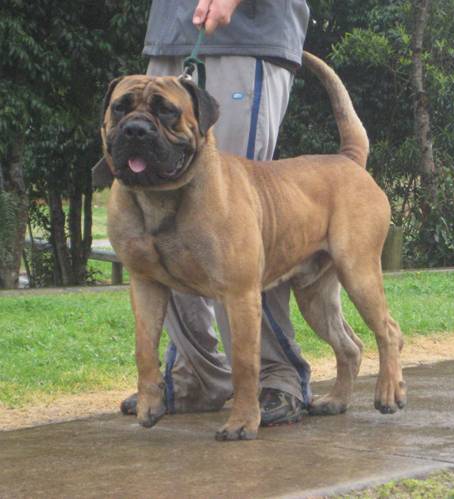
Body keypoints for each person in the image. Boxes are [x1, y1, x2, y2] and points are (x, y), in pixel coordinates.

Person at [120, 0, 312, 426]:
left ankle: (276, 378)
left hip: (245, 34)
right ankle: (199, 374)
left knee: (239, 228)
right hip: (170, 32)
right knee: (163, 234)